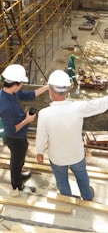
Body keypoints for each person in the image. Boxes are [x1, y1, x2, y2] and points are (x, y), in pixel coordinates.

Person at [36, 69, 108, 200]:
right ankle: (87, 196)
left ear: (50, 90)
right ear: (66, 91)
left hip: (57, 157)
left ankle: (66, 199)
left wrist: (39, 152)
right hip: (76, 154)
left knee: (61, 181)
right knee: (82, 176)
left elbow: (41, 136)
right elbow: (99, 104)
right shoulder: (77, 108)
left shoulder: (44, 114)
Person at [0, 64, 48, 192]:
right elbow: (11, 130)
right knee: (16, 161)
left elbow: (28, 95)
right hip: (14, 138)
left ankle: (19, 175)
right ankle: (16, 184)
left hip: (20, 135)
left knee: (20, 157)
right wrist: (27, 120)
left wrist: (46, 87)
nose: (22, 85)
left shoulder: (12, 92)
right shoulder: (6, 105)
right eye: (21, 83)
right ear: (16, 84)